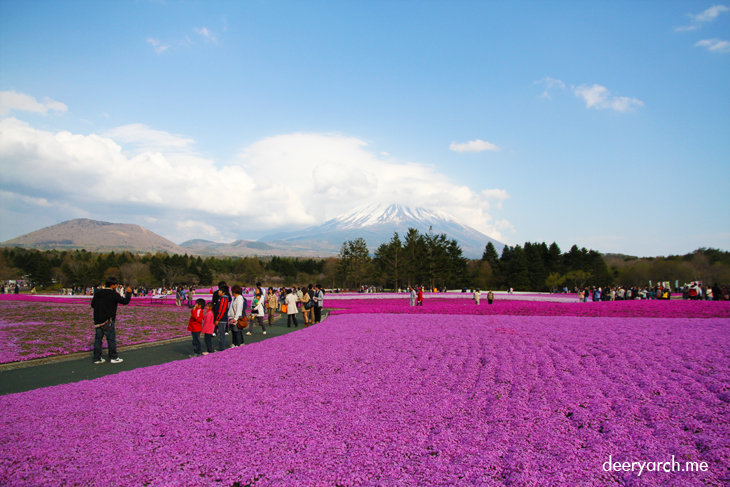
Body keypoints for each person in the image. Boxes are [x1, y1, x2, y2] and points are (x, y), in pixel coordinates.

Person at [90, 277, 132, 364]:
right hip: (108, 320)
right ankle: (113, 357)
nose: (116, 286)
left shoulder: (98, 293)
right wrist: (128, 293)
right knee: (111, 339)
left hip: (98, 320)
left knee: (98, 340)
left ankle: (97, 358)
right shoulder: (113, 294)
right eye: (115, 284)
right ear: (112, 285)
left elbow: (93, 305)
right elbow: (125, 301)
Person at [213, 285, 231, 351]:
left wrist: (218, 319)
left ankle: (221, 348)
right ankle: (221, 347)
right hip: (221, 318)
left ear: (223, 292)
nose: (218, 292)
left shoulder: (223, 299)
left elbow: (222, 310)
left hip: (222, 319)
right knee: (221, 334)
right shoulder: (221, 299)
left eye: (220, 291)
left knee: (221, 334)